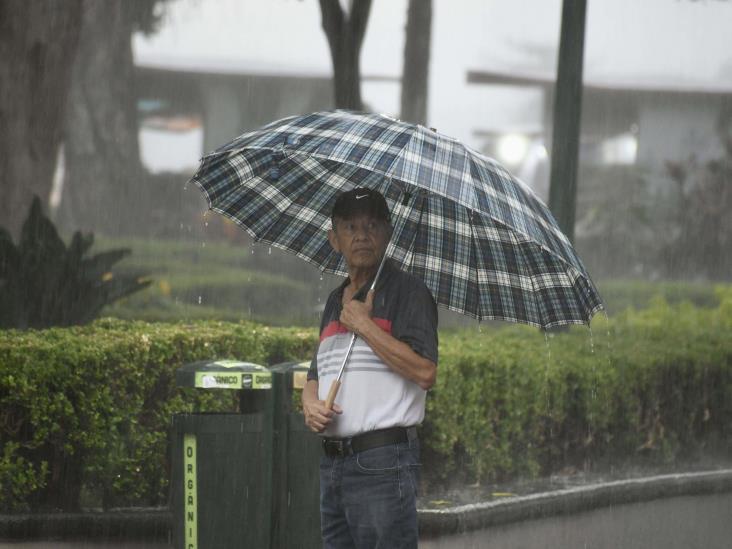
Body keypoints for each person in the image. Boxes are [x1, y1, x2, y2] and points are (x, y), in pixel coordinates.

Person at [303, 187, 438, 549]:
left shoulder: (409, 293)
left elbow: (425, 372)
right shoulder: (335, 300)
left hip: (383, 462)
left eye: (373, 225)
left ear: (388, 234)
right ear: (334, 239)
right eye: (350, 227)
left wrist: (365, 326)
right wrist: (310, 404)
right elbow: (316, 374)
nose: (362, 235)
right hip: (333, 465)